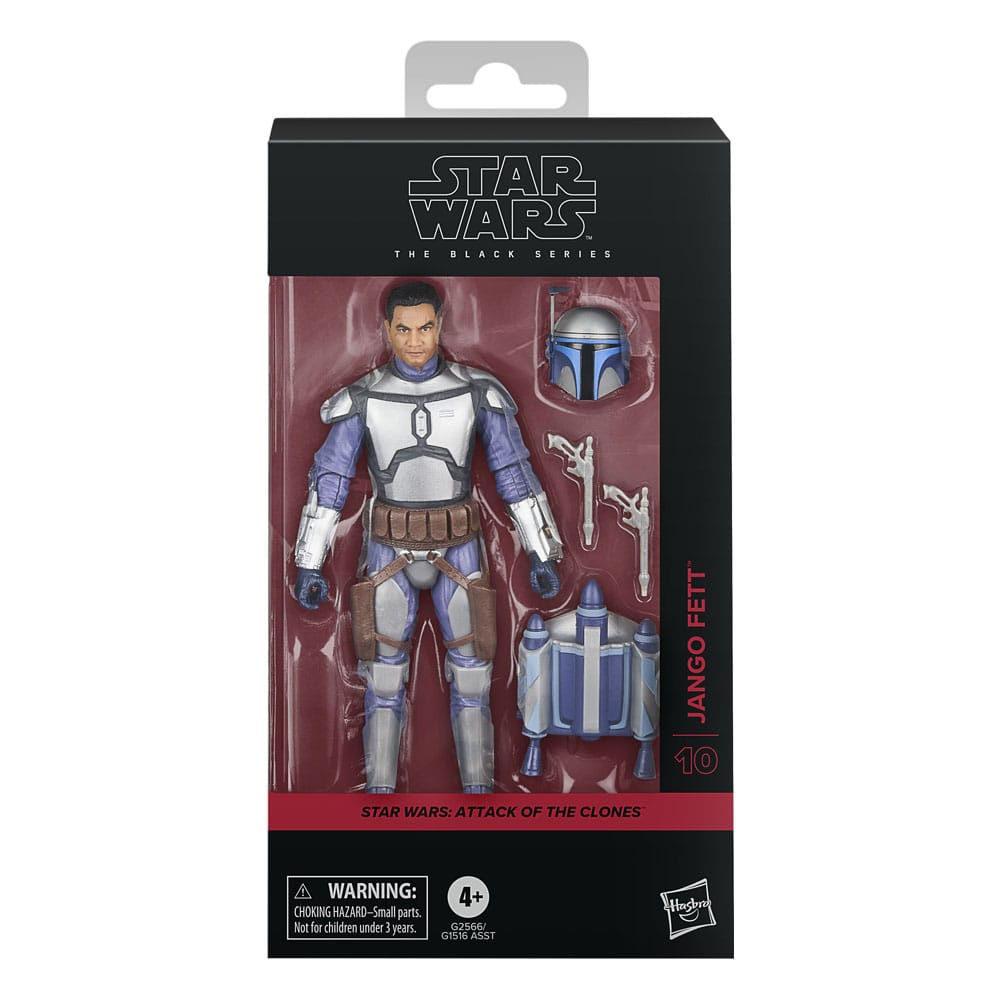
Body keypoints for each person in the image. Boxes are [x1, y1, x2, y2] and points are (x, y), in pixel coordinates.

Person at [293, 281, 563, 793]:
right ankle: (378, 799)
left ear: (440, 326)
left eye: (424, 328)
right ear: (387, 330)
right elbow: (329, 481)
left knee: (473, 679)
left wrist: (541, 551)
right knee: (382, 681)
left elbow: (513, 472)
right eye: (403, 329)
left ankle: (479, 797)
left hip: (459, 550)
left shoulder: (476, 391)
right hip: (388, 550)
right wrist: (309, 560)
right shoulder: (364, 397)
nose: (415, 341)